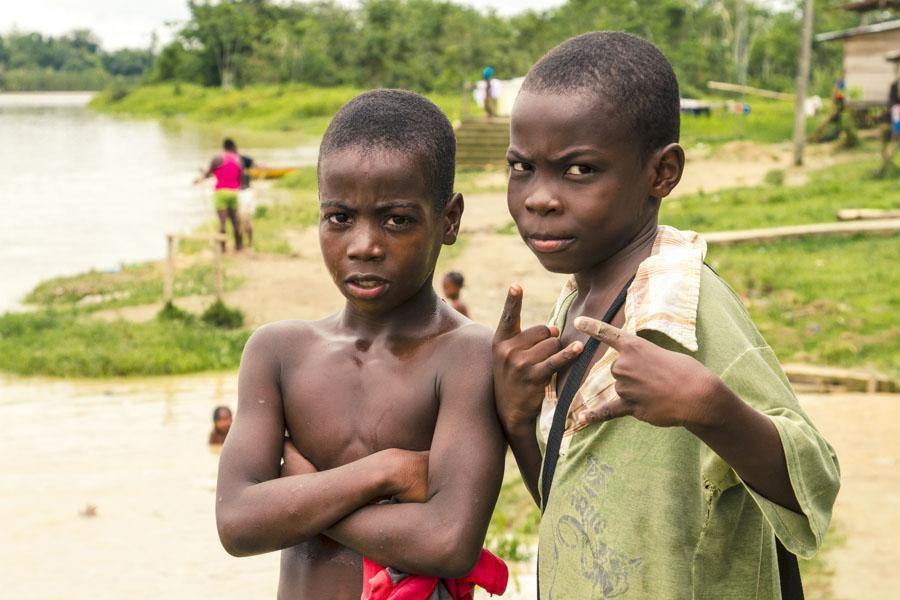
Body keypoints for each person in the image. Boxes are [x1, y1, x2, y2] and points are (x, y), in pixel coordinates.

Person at [492, 32, 840, 598]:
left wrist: (714, 410)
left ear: (663, 174)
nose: (539, 197)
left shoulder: (688, 312)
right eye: (522, 167)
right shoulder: (578, 305)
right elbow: (573, 510)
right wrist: (516, 420)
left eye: (578, 170)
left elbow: (815, 483)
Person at [215, 90, 506, 599]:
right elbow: (237, 523)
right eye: (340, 217)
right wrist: (384, 471)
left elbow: (448, 542)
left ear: (450, 219)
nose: (364, 245)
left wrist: (299, 497)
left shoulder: (468, 356)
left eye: (397, 219)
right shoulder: (278, 352)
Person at [195, 138, 243, 252]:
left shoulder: (218, 158)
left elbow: (207, 173)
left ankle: (223, 249)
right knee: (235, 221)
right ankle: (239, 246)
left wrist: (199, 178)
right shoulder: (238, 159)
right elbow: (239, 177)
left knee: (222, 222)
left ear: (223, 147)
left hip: (221, 192)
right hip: (234, 193)